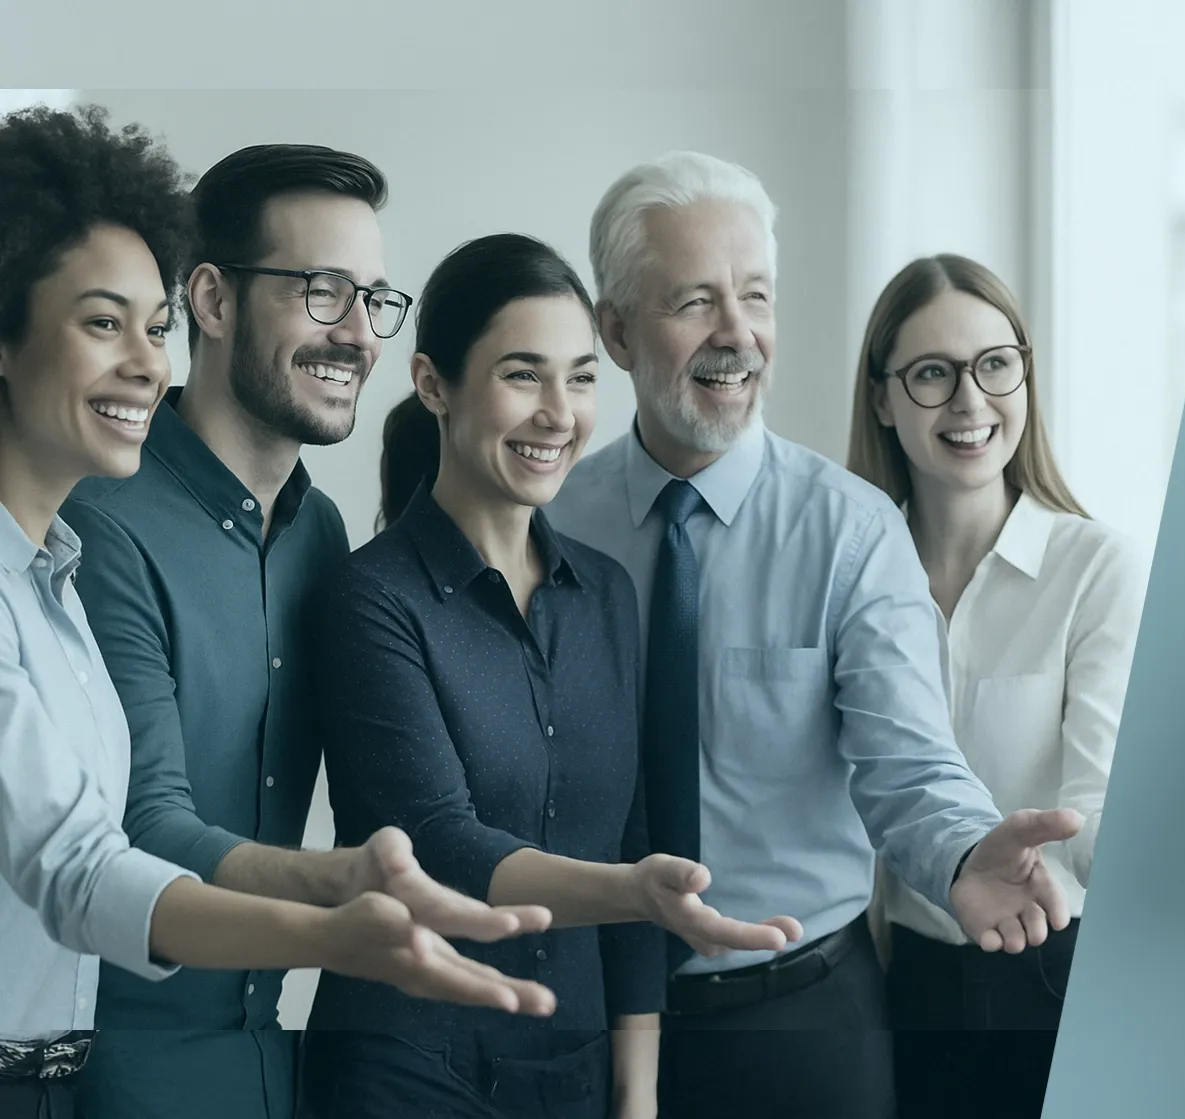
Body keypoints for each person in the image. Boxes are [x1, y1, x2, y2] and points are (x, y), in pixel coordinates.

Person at [0, 103, 557, 1119]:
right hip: (107, 1069)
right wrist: (335, 901)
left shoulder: (321, 537)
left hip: (276, 1063)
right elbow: (128, 836)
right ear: (214, 298)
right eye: (322, 290)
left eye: (373, 298)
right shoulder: (97, 522)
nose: (356, 330)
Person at [544, 151, 1083, 1119]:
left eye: (755, 295)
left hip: (800, 1026)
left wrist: (964, 855)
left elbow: (907, 760)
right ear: (616, 331)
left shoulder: (852, 531)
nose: (737, 333)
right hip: (582, 1018)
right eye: (695, 303)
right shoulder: (553, 521)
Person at [297, 233, 806, 1119]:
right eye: (523, 375)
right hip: (407, 1068)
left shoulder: (606, 592)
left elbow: (633, 826)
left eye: (580, 378)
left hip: (571, 1067)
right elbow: (441, 842)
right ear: (433, 384)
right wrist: (627, 890)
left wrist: (636, 1092)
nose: (559, 413)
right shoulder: (368, 598)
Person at [846, 254, 1146, 1118]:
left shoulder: (1097, 568)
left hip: (1052, 979)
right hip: (892, 986)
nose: (971, 402)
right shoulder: (850, 577)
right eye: (933, 374)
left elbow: (1094, 801)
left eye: (994, 364)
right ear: (883, 399)